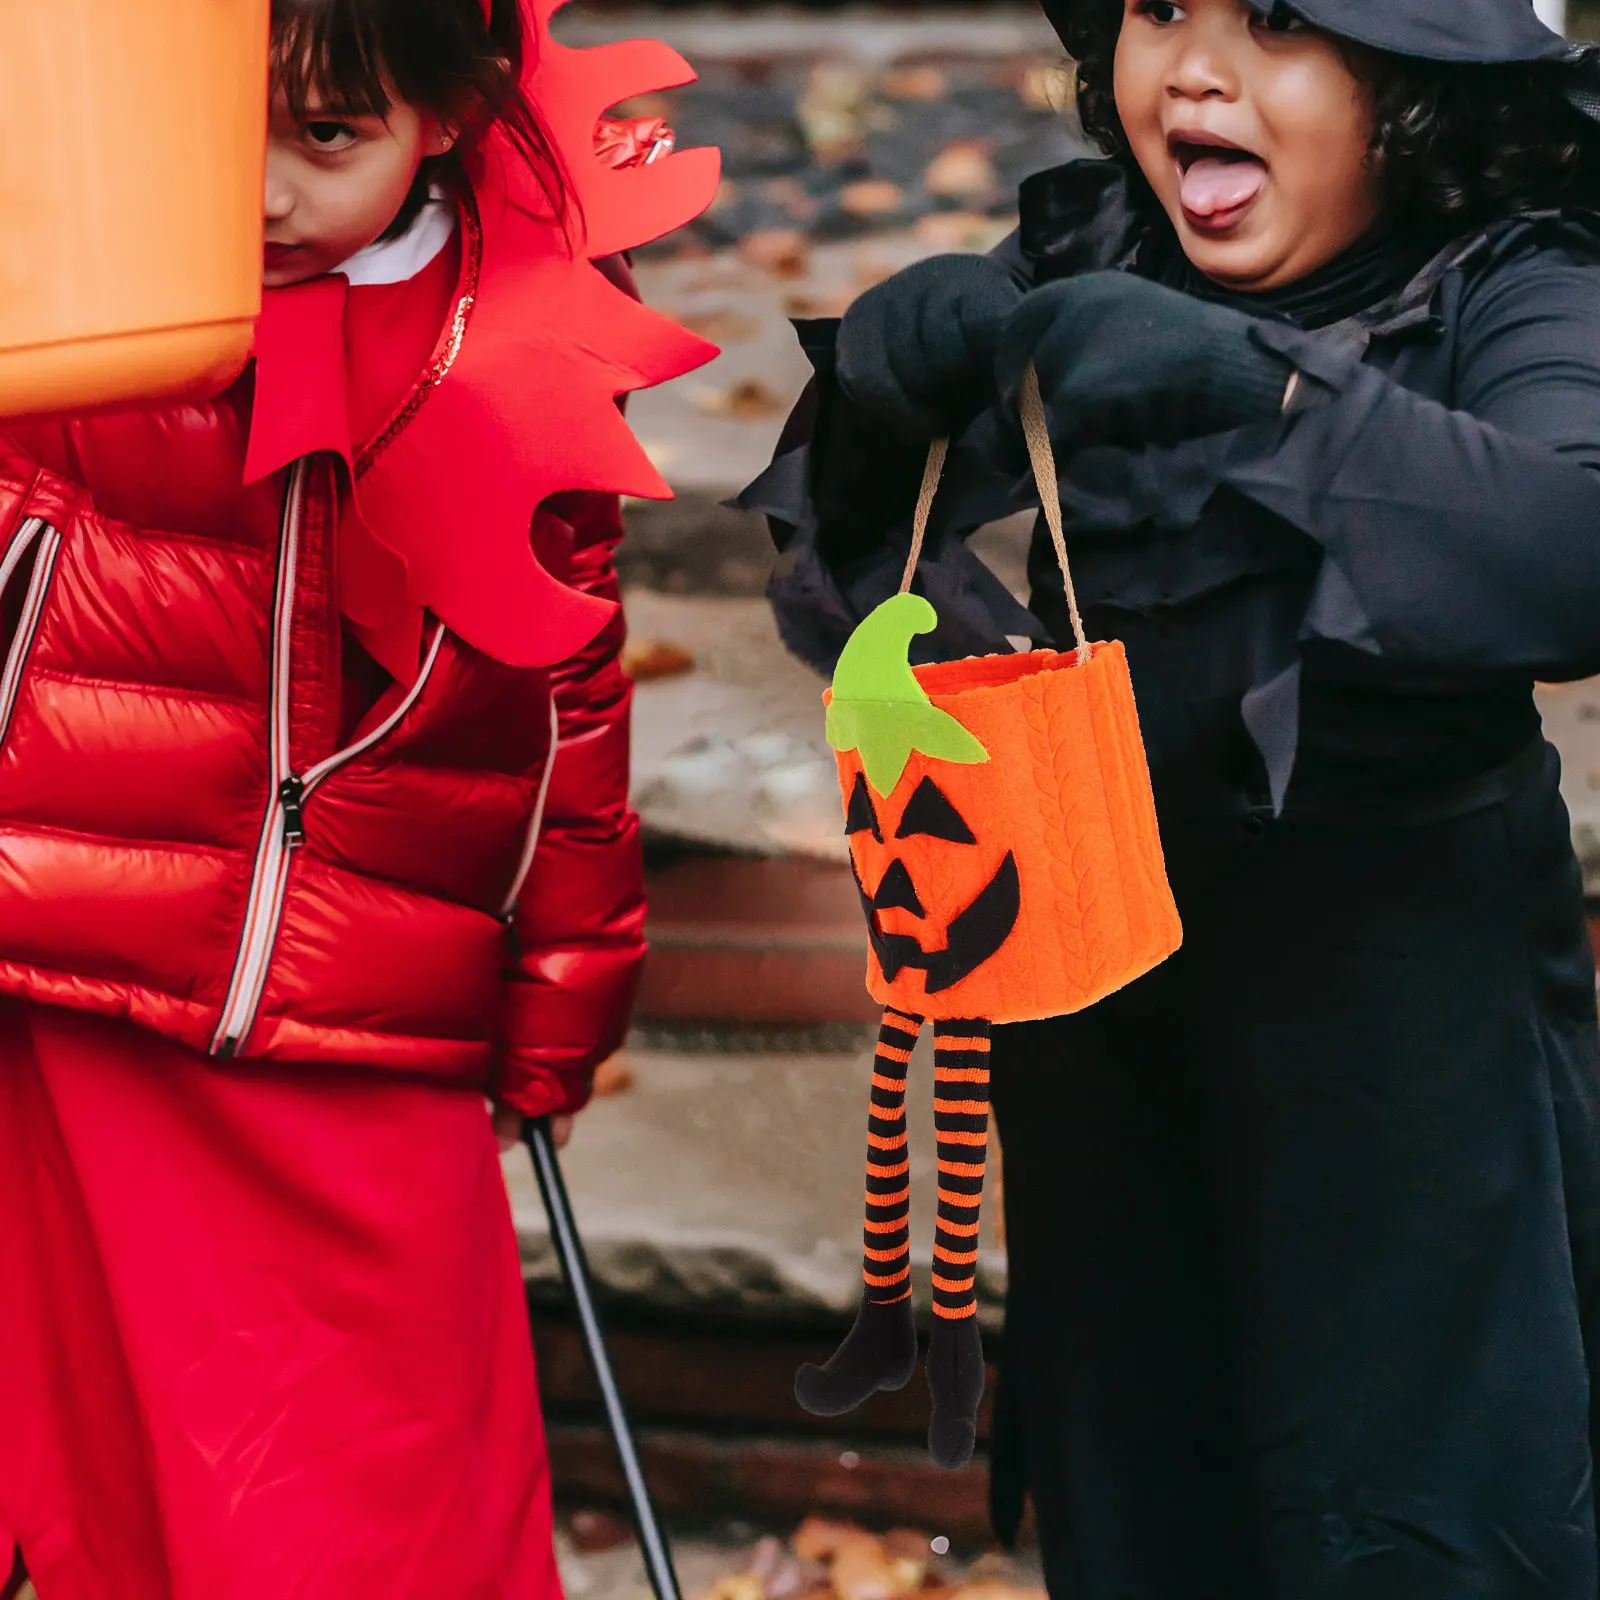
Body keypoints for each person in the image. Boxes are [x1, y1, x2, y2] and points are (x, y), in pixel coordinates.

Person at [742, 0, 1600, 1592]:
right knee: (1147, 1487)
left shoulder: (1519, 282)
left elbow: (1570, 550)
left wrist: (1277, 400)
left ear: (1411, 84)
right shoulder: (1102, 251)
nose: (1194, 68)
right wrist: (877, 399)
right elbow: (853, 575)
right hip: (1113, 1004)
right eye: (1158, 10)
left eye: (1274, 21)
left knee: (1411, 1501)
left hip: (1408, 1030)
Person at [0, 0, 712, 1594]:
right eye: (223, 125)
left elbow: (565, 698)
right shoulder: (74, 277)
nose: (260, 192)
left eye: (327, 136)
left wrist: (565, 989)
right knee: (108, 1483)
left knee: (366, 1514)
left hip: (358, 1015)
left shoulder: (519, 333)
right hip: (69, 964)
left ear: (449, 112)